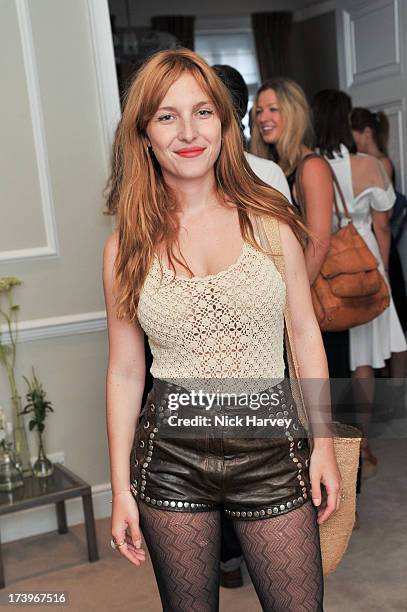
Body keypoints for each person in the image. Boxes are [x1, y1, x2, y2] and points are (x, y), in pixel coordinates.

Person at [103, 48, 341, 612]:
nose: (188, 131)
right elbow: (124, 369)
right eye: (167, 116)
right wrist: (119, 489)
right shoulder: (124, 249)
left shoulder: (271, 220)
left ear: (224, 125)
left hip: (269, 448)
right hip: (171, 461)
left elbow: (305, 336)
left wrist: (324, 444)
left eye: (203, 112)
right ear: (144, 136)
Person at [250, 77, 359, 517]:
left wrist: (288, 300)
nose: (263, 118)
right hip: (291, 305)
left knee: (328, 412)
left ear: (293, 113)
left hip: (314, 307)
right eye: (258, 111)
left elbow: (319, 242)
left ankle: (343, 502)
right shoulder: (263, 168)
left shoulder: (310, 167)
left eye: (273, 109)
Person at [211, 64, 292, 589]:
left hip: (258, 345)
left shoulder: (267, 177)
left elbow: (289, 263)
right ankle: (230, 550)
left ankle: (233, 551)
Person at [312, 90, 407, 476]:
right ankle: (363, 440)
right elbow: (383, 224)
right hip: (363, 259)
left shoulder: (308, 166)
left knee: (332, 359)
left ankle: (335, 443)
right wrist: (379, 272)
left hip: (325, 264)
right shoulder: (368, 164)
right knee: (364, 361)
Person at [351, 107, 407, 336]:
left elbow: (384, 215)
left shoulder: (381, 163)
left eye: (353, 132)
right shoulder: (366, 163)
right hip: (373, 239)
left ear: (366, 133)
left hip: (381, 240)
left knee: (393, 309)